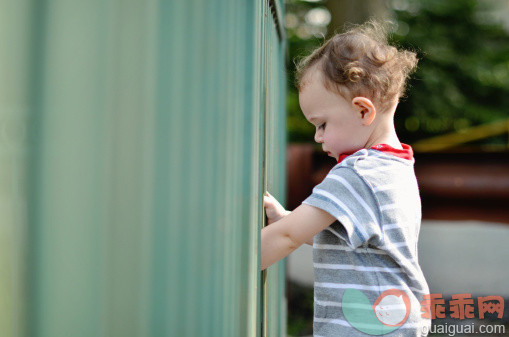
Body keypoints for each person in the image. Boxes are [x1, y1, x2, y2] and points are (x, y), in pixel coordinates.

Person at [261, 21, 431, 336]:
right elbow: (355, 242)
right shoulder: (396, 168)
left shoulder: (358, 173)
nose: (317, 137)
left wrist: (224, 266)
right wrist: (287, 218)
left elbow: (287, 237)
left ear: (363, 111)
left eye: (322, 124)